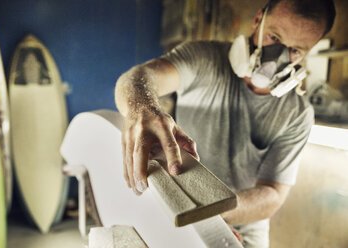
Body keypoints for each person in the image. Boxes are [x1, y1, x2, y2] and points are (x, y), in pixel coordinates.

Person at [114, 0, 336, 247]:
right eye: (274, 37)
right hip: (176, 209)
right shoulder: (203, 58)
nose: (280, 56)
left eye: (296, 50)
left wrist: (211, 214)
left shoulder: (297, 113)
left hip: (241, 226)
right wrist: (141, 107)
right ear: (258, 20)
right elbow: (139, 77)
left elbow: (272, 194)